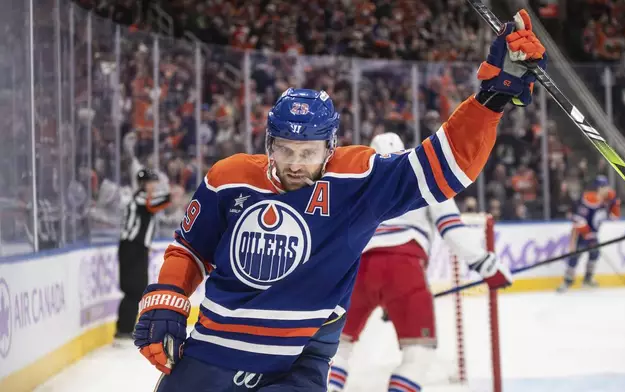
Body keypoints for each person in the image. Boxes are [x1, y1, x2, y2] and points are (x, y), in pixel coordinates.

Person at [133, 10, 546, 391]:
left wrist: (490, 100)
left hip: (294, 367)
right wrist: (167, 296)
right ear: (268, 144)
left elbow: (445, 164)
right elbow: (189, 248)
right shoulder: (229, 177)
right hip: (210, 355)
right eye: (285, 150)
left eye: (308, 152)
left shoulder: (357, 179)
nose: (295, 164)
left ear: (329, 148)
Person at [328, 132, 509, 392]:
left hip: (357, 271)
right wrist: (486, 265)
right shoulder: (425, 175)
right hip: (405, 270)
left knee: (339, 347)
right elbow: (452, 230)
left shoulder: (357, 180)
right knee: (418, 354)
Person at [114, 168, 171, 344]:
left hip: (136, 248)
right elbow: (164, 200)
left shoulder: (140, 199)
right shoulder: (140, 199)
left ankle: (125, 329)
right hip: (132, 248)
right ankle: (123, 330)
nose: (155, 186)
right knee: (134, 289)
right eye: (152, 182)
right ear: (144, 184)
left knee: (136, 289)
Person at [557, 175, 621, 293]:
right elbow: (578, 219)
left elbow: (614, 218)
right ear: (598, 188)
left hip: (593, 234)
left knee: (595, 254)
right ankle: (567, 281)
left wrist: (615, 203)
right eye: (604, 186)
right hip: (580, 234)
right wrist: (587, 234)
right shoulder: (589, 198)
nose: (607, 189)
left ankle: (587, 279)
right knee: (575, 256)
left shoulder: (607, 200)